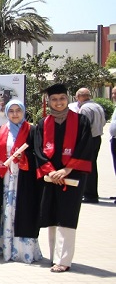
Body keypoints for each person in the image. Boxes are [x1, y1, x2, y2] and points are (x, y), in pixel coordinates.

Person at [34, 84, 93, 273]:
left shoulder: (82, 121)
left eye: (62, 98)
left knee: (67, 216)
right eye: (54, 99)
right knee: (52, 215)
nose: (58, 102)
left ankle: (64, 259)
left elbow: (86, 147)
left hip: (72, 176)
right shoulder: (43, 124)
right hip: (51, 177)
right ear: (48, 102)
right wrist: (51, 171)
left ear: (68, 99)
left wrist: (66, 170)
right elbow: (38, 151)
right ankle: (54, 256)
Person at [0, 100, 42, 263]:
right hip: (4, 179)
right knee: (2, 211)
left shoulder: (31, 130)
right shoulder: (0, 130)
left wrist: (26, 157)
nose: (15, 114)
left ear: (23, 112)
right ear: (7, 113)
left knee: (22, 211)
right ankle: (0, 247)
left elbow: (38, 153)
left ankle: (22, 251)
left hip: (23, 179)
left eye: (18, 111)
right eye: (11, 111)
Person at [70, 87, 106, 203]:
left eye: (77, 97)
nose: (76, 99)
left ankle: (90, 194)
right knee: (93, 166)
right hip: (97, 138)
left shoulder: (85, 109)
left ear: (81, 96)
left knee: (87, 166)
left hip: (89, 139)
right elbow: (104, 122)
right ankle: (92, 193)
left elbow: (82, 127)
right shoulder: (97, 106)